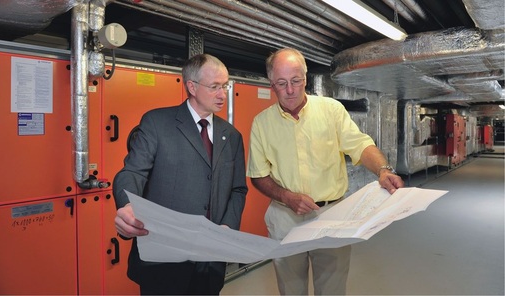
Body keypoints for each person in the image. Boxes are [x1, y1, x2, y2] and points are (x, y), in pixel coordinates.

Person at [246, 48, 404, 295]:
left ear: (305, 79)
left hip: (331, 215)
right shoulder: (262, 123)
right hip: (286, 218)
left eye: (296, 81)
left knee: (332, 289)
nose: (290, 90)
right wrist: (288, 197)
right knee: (291, 290)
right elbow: (258, 176)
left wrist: (383, 170)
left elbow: (361, 145)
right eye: (281, 83)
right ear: (272, 84)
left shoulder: (331, 110)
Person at [113, 53, 248, 295]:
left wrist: (228, 225)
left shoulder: (232, 136)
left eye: (225, 86)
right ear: (192, 87)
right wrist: (127, 205)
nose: (222, 94)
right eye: (215, 86)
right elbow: (132, 172)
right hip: (164, 260)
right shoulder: (157, 123)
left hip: (210, 259)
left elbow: (238, 189)